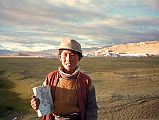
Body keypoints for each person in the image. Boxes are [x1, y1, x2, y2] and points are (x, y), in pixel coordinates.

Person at [31, 39, 98, 120]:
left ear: (79, 58)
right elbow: (42, 104)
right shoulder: (51, 77)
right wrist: (36, 104)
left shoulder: (86, 81)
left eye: (72, 55)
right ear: (60, 57)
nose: (68, 59)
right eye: (65, 54)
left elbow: (92, 107)